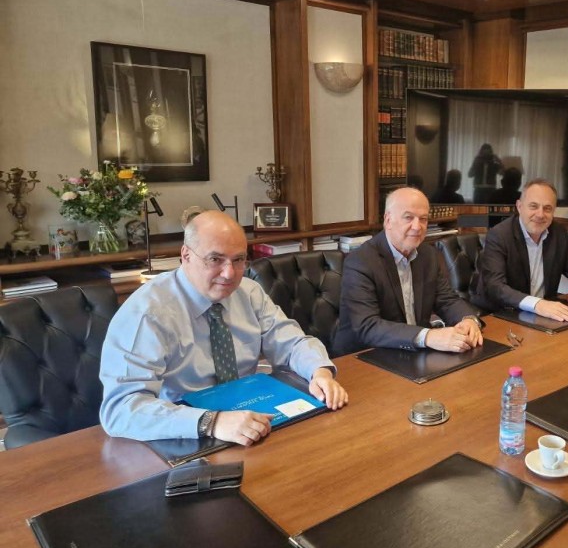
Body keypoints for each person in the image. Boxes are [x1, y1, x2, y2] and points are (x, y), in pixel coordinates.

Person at [99, 210, 348, 444]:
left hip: (249, 418)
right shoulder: (147, 313)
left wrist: (319, 372)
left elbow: (291, 343)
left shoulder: (248, 292)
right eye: (215, 259)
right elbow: (120, 409)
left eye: (238, 260)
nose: (229, 273)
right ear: (186, 255)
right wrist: (211, 422)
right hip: (183, 431)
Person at [331, 187, 484, 356]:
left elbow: (447, 300)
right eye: (408, 217)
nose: (417, 227)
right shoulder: (361, 261)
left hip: (413, 353)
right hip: (365, 356)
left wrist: (468, 319)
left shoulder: (428, 254)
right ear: (388, 220)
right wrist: (428, 336)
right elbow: (367, 326)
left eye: (423, 219)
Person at [472, 178, 568, 322]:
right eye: (533, 206)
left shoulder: (558, 233)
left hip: (540, 318)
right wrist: (537, 304)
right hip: (500, 316)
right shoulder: (500, 235)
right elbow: (495, 287)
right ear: (519, 206)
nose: (540, 214)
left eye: (547, 208)